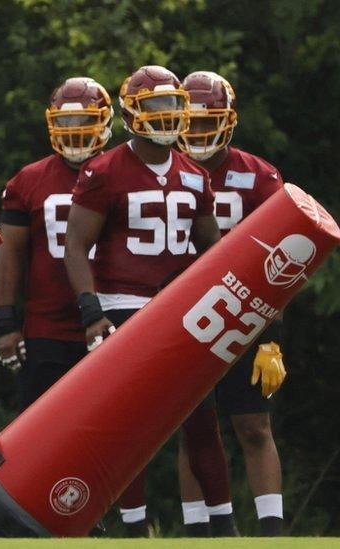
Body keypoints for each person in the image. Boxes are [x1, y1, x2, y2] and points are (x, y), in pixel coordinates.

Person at [63, 65, 237, 537]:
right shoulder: (104, 170)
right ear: (131, 113)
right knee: (130, 426)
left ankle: (224, 527)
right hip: (123, 304)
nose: (167, 115)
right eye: (156, 106)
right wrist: (91, 309)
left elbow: (215, 252)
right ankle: (134, 527)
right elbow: (75, 246)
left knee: (202, 419)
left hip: (180, 310)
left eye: (172, 105)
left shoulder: (196, 175)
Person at [175, 70, 286, 537]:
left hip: (245, 316)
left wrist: (272, 337)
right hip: (180, 316)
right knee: (193, 430)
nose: (199, 134)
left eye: (209, 123)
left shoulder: (259, 176)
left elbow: (285, 262)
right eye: (192, 123)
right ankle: (201, 532)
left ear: (228, 121)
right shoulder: (165, 173)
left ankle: (272, 529)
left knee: (254, 425)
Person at [0, 76, 112, 409]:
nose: (75, 130)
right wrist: (6, 323)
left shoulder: (122, 172)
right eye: (66, 122)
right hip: (47, 328)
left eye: (84, 121)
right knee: (42, 435)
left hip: (111, 320)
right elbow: (10, 256)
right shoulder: (29, 180)